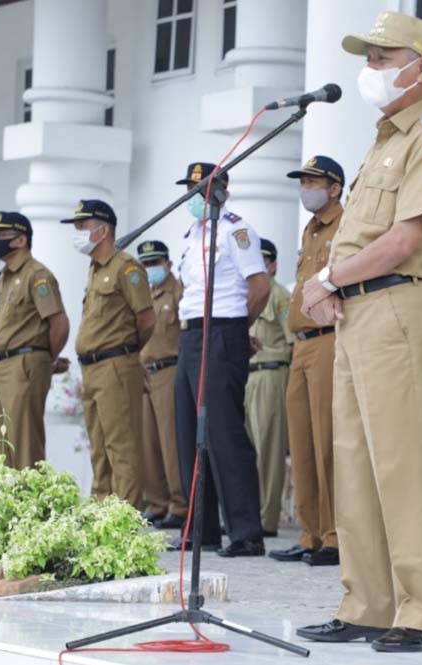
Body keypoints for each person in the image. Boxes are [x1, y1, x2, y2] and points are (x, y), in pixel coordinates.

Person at [295, 11, 422, 653]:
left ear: (420, 69)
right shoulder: (384, 140)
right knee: (357, 464)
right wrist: (336, 289)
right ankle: (365, 602)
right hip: (359, 311)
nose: (370, 70)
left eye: (382, 58)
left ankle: (420, 613)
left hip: (397, 307)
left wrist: (330, 277)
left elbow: (405, 238)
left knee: (402, 464)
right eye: (368, 58)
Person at [172, 162, 269, 557]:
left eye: (199, 190)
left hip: (221, 329)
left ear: (218, 191)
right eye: (188, 189)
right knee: (189, 434)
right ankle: (202, 530)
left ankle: (246, 532)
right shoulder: (191, 234)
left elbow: (259, 287)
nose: (192, 197)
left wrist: (234, 330)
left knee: (224, 434)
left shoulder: (236, 229)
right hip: (191, 334)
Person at [270, 155, 346, 567]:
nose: (306, 189)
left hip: (328, 340)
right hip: (300, 343)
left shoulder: (347, 226)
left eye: (313, 182)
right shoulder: (311, 229)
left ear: (334, 188)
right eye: (303, 182)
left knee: (327, 440)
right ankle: (310, 532)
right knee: (301, 441)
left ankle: (335, 535)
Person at [62, 199, 154, 509]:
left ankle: (124, 517)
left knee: (121, 446)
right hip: (92, 367)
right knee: (98, 447)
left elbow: (146, 319)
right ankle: (100, 510)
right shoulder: (95, 269)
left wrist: (126, 352)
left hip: (116, 363)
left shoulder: (126, 268)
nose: (78, 233)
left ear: (103, 231)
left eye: (83, 226)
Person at [0, 211, 70, 469]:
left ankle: (30, 502)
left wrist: (44, 360)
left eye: (1, 235)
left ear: (20, 240)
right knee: (0, 444)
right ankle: (6, 504)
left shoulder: (37, 275)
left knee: (23, 444)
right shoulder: (5, 277)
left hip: (24, 363)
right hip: (2, 364)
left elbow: (59, 324)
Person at [137, 240, 187, 530]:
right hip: (144, 371)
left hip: (170, 368)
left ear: (168, 264)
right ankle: (156, 503)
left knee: (171, 442)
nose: (150, 269)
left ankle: (179, 505)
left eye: (155, 263)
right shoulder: (143, 294)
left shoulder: (179, 292)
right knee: (148, 442)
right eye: (146, 264)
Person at [245, 238, 294, 538]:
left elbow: (293, 343)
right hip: (248, 374)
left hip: (271, 373)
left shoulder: (279, 296)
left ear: (273, 265)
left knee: (269, 450)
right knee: (248, 449)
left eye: (263, 261)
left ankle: (267, 518)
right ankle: (250, 513)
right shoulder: (246, 296)